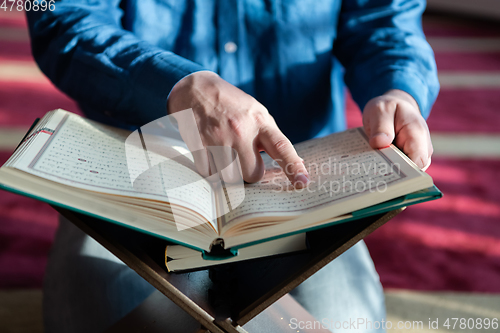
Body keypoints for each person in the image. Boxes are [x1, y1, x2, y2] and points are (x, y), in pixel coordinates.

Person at [26, 0, 439, 332]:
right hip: (137, 171)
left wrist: (398, 88)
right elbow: (63, 17)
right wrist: (176, 84)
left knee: (353, 324)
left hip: (301, 185)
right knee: (100, 319)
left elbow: (384, 21)